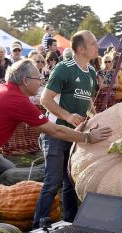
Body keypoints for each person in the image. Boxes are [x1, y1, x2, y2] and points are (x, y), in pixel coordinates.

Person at [33, 30, 103, 228]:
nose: (97, 47)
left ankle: (71, 222)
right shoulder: (64, 69)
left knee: (71, 181)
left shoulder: (90, 71)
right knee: (52, 181)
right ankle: (38, 225)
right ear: (81, 49)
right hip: (54, 132)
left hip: (75, 135)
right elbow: (45, 99)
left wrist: (94, 114)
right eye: (93, 43)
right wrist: (67, 116)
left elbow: (87, 98)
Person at [0, 59, 112, 169]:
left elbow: (40, 128)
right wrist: (88, 137)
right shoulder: (19, 100)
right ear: (26, 80)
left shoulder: (3, 88)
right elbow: (53, 130)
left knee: (8, 170)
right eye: (39, 78)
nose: (42, 82)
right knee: (11, 173)